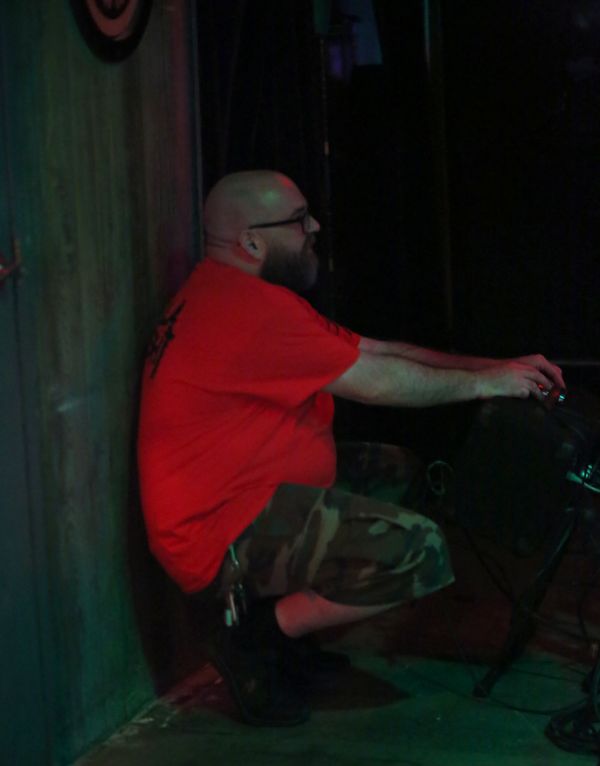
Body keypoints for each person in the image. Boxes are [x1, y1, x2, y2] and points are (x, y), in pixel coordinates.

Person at [137, 170, 565, 727]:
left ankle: (289, 631)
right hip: (220, 539)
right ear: (251, 243)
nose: (315, 227)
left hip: (243, 498)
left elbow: (377, 351)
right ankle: (258, 636)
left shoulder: (237, 292)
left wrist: (499, 368)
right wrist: (488, 385)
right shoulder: (247, 313)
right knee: (419, 549)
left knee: (395, 470)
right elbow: (381, 382)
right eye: (299, 220)